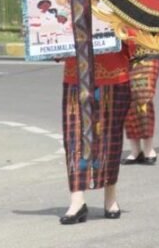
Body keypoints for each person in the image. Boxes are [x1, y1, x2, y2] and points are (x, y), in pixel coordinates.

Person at [59, 41, 135, 225]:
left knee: (110, 138)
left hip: (113, 75)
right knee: (74, 135)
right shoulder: (66, 10)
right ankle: (77, 200)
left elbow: (134, 39)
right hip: (76, 74)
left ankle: (110, 197)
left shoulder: (118, 9)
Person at [122, 46, 159, 164]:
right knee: (127, 96)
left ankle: (148, 148)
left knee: (143, 94)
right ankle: (135, 150)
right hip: (125, 51)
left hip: (149, 49)